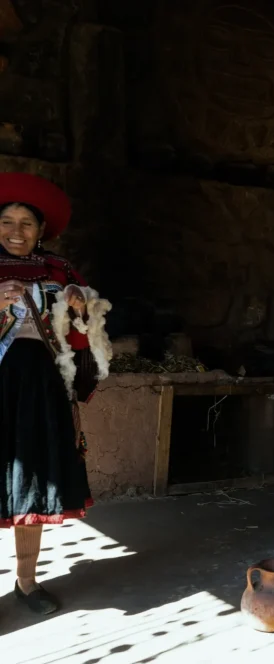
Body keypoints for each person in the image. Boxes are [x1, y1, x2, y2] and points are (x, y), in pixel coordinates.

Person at [0, 173, 111, 614]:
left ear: (42, 230)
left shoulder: (59, 270)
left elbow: (87, 331)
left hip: (40, 388)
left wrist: (81, 309)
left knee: (30, 484)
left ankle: (26, 582)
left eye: (27, 223)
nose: (16, 231)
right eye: (7, 221)